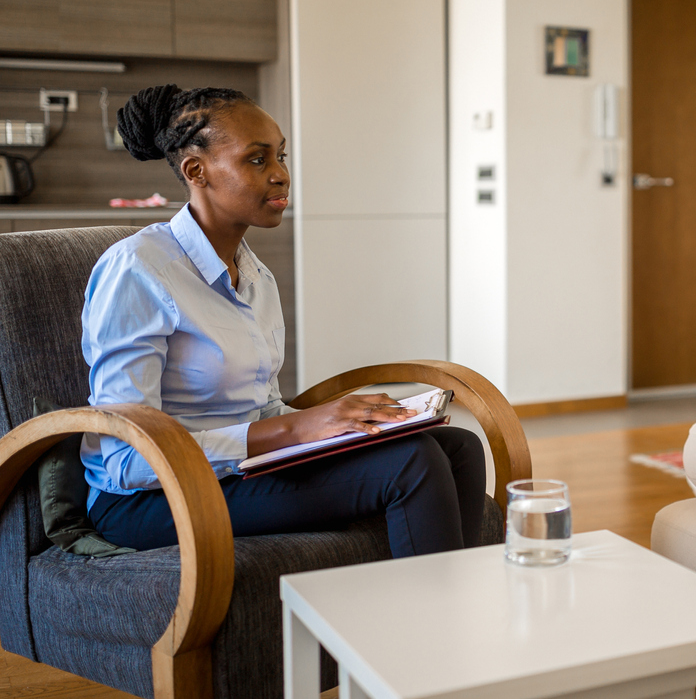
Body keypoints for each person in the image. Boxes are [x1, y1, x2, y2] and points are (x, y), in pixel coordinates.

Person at [82, 84, 485, 558]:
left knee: (457, 446)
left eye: (282, 157)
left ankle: (448, 608)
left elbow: (264, 409)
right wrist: (298, 429)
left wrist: (339, 423)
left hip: (242, 468)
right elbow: (129, 458)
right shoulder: (138, 268)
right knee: (411, 465)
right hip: (151, 498)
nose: (281, 176)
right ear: (197, 171)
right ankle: (430, 629)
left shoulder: (256, 277)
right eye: (257, 160)